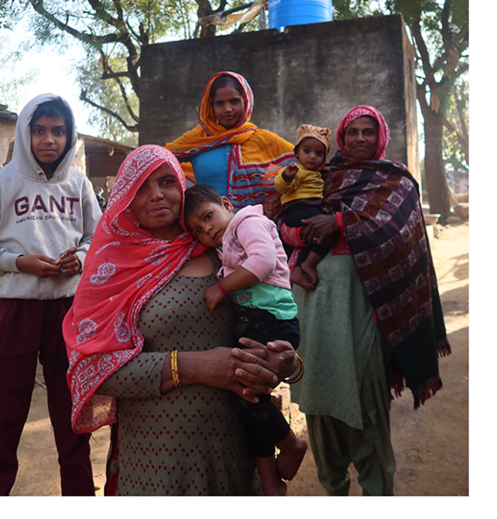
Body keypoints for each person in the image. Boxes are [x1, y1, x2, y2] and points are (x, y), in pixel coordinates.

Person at [63, 145, 301, 496]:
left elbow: (273, 316)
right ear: (124, 198)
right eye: (141, 187)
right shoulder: (110, 269)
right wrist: (195, 367)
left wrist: (289, 363)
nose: (156, 195)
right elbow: (94, 369)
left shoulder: (223, 249)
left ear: (182, 186)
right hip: (157, 459)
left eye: (165, 182)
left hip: (236, 451)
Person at [283, 105, 451, 496]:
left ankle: (377, 498)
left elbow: (396, 232)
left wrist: (340, 222)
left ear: (381, 138)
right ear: (341, 136)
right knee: (318, 392)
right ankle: (334, 487)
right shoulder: (322, 174)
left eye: (368, 132)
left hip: (363, 307)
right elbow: (283, 218)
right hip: (312, 305)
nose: (360, 138)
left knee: (364, 397)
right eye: (353, 131)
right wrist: (300, 234)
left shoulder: (396, 182)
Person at [0, 93, 101, 496]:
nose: (48, 139)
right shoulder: (3, 182)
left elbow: (98, 237)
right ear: (25, 131)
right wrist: (17, 263)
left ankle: (78, 497)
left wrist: (82, 257)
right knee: (4, 407)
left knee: (71, 404)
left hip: (68, 309)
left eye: (59, 131)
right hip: (14, 308)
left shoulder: (78, 184)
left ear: (70, 135)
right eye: (38, 130)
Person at [182, 184, 308, 496]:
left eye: (208, 216)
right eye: (197, 230)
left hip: (271, 320)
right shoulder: (225, 242)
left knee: (247, 396)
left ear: (227, 203)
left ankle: (291, 445)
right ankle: (269, 479)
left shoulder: (247, 223)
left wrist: (221, 288)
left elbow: (263, 261)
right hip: (254, 321)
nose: (207, 229)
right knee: (249, 399)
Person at [165, 71, 294, 218]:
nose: (227, 109)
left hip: (258, 230)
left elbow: (305, 163)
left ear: (246, 101)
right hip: (209, 232)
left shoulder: (264, 140)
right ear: (210, 106)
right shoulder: (197, 139)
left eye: (234, 101)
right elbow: (160, 161)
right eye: (220, 103)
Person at [274, 124, 333, 290]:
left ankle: (299, 269)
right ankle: (308, 265)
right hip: (298, 210)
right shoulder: (296, 170)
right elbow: (281, 187)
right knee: (326, 234)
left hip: (309, 209)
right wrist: (287, 176)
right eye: (307, 151)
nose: (312, 157)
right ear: (297, 153)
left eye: (319, 154)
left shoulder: (316, 173)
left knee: (315, 238)